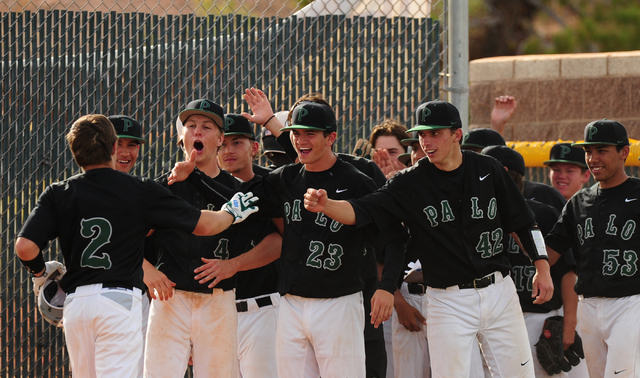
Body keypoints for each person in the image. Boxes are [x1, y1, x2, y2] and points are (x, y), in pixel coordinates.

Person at [304, 100, 555, 377]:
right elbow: (363, 209)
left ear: (456, 134)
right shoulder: (409, 182)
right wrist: (327, 205)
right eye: (422, 134)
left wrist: (541, 266)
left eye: (435, 133)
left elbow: (523, 223)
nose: (426, 141)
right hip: (448, 301)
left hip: (499, 292)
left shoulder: (488, 168)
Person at [14, 114, 257, 378]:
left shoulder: (59, 192)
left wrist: (39, 275)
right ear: (111, 148)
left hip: (76, 304)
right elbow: (205, 225)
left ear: (74, 152)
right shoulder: (139, 189)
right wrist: (230, 212)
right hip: (118, 301)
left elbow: (25, 247)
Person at [143, 100, 281, 378]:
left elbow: (276, 241)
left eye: (207, 127)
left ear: (220, 138)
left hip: (219, 301)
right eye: (191, 126)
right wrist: (146, 270)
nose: (197, 132)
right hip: (170, 298)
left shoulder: (238, 191)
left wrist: (235, 265)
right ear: (180, 136)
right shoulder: (159, 188)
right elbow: (124, 237)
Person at [545, 119, 640, 378]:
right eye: (588, 151)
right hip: (588, 305)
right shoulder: (579, 202)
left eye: (601, 150)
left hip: (630, 303)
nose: (593, 158)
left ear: (624, 152)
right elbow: (550, 251)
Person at [483, 145, 583, 377]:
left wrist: (569, 324)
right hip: (496, 320)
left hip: (539, 320)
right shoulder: (477, 219)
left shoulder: (543, 214)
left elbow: (567, 272)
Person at [217, 113, 281, 378]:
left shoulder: (271, 184)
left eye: (237, 142)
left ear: (254, 148)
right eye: (222, 144)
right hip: (216, 313)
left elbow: (280, 240)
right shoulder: (203, 186)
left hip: (262, 309)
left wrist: (234, 265)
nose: (229, 150)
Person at [108, 114, 150, 378]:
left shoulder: (143, 190)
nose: (125, 152)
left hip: (140, 297)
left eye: (132, 144)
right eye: (118, 143)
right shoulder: (86, 189)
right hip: (104, 294)